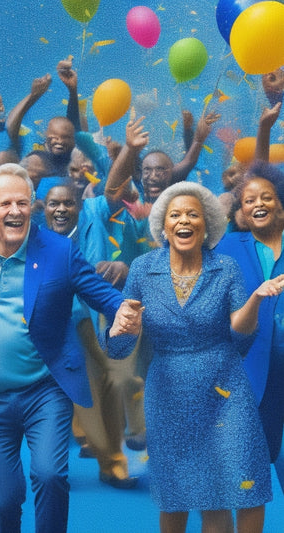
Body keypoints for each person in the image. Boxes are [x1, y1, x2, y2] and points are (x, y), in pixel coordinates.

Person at [0, 163, 141, 532]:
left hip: (45, 390)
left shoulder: (59, 251)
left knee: (50, 475)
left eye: (23, 202)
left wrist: (122, 312)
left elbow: (104, 297)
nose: (16, 211)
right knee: (1, 500)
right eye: (5, 204)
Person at [108, 181, 279, 533]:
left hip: (226, 391)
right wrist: (119, 330)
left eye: (192, 214)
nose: (184, 220)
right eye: (175, 215)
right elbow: (122, 346)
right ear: (164, 226)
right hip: (169, 394)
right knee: (178, 493)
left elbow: (239, 334)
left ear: (207, 225)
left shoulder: (226, 267)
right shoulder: (142, 269)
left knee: (242, 480)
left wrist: (256, 299)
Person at [43, 184, 138, 488]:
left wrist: (119, 309)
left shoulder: (86, 234)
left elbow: (94, 288)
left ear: (79, 208)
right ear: (41, 208)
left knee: (102, 390)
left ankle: (112, 462)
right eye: (54, 203)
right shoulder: (29, 240)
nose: (61, 209)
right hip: (32, 331)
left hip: (79, 324)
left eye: (68, 203)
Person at [216, 163, 284, 494]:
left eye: (266, 197)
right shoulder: (227, 248)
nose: (257, 204)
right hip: (247, 379)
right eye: (249, 200)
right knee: (243, 485)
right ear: (241, 211)